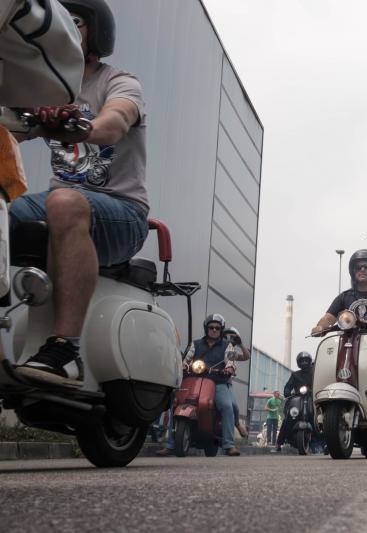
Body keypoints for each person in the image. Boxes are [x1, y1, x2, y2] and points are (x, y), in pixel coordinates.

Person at [12, 0, 150, 388]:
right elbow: (14, 130)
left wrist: (77, 123)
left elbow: (113, 122)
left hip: (122, 213)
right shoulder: (46, 87)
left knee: (63, 200)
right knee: (5, 208)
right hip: (63, 206)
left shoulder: (120, 82)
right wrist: (28, 117)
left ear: (95, 31)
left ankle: (65, 350)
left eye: (74, 22)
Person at [156, 314, 241, 457]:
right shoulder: (195, 344)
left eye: (217, 328)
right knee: (175, 404)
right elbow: (186, 359)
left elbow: (231, 361)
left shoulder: (229, 346)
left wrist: (229, 368)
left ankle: (229, 445)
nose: (214, 330)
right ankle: (170, 444)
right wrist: (183, 366)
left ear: (221, 330)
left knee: (227, 406)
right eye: (211, 327)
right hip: (193, 380)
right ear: (206, 329)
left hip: (217, 381)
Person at [311, 249, 367, 335]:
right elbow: (328, 318)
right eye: (358, 267)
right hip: (348, 343)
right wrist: (320, 327)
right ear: (353, 271)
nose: (362, 270)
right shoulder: (344, 297)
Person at [274, 351, 313, 452]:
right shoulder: (295, 375)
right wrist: (287, 392)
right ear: (298, 363)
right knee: (288, 418)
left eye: (306, 360)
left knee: (324, 418)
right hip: (297, 398)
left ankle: (327, 444)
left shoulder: (315, 373)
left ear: (309, 361)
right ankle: (279, 443)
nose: (304, 362)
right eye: (302, 361)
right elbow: (288, 386)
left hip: (312, 398)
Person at [222, 326, 251, 439]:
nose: (229, 338)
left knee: (233, 405)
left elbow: (246, 356)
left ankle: (237, 424)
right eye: (227, 335)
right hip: (208, 379)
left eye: (233, 337)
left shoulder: (231, 353)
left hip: (224, 382)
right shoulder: (216, 347)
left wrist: (240, 344)